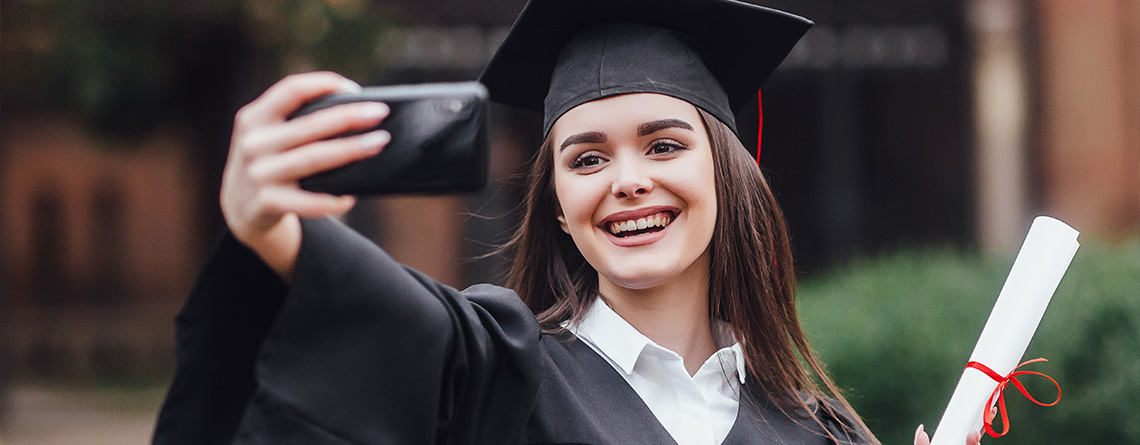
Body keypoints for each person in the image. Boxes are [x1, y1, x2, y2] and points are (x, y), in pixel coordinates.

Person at [153, 0, 983, 444]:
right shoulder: (497, 375)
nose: (627, 180)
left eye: (663, 144)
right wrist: (271, 228)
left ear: (725, 173)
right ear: (555, 200)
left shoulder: (818, 429)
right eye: (587, 158)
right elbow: (385, 325)